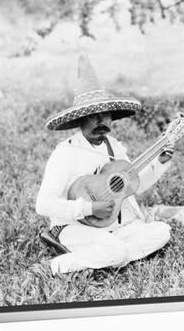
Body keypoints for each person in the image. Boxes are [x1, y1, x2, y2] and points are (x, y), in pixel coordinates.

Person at [36, 53, 174, 274]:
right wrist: (90, 207)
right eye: (93, 116)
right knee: (118, 251)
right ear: (80, 120)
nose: (102, 123)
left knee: (162, 231)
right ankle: (55, 266)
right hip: (74, 226)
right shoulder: (65, 153)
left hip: (111, 227)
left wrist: (160, 163)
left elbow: (130, 186)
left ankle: (103, 256)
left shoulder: (114, 147)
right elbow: (43, 205)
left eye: (106, 115)